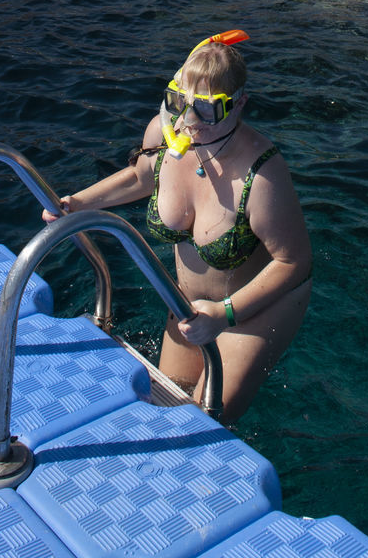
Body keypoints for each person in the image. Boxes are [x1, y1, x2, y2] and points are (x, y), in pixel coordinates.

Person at [42, 31, 312, 422]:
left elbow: (294, 262)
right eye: (179, 102)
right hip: (190, 304)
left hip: (254, 309)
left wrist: (224, 314)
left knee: (205, 422)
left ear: (239, 105)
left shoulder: (263, 175)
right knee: (166, 404)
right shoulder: (167, 133)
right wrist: (77, 203)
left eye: (206, 109)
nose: (188, 120)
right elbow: (140, 177)